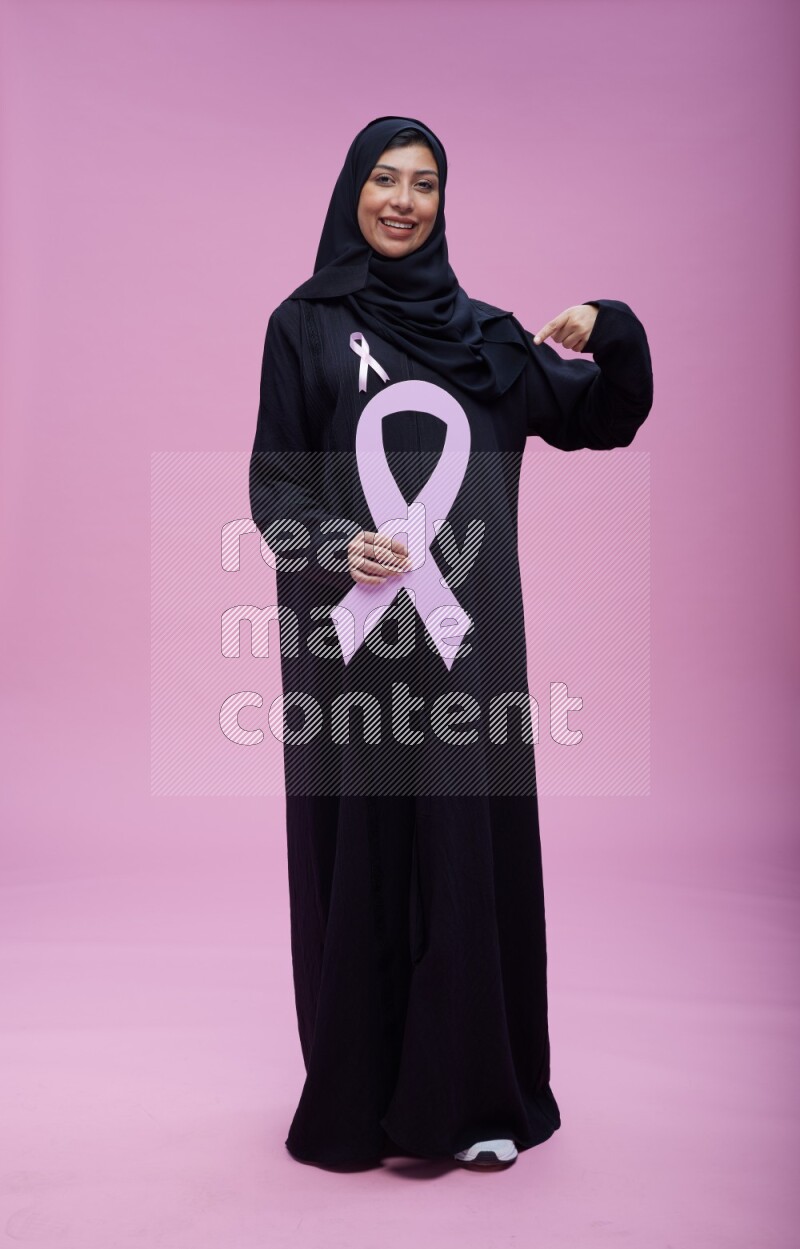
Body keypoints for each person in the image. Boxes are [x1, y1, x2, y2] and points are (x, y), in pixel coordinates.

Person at [249, 116, 653, 1170]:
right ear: (351, 193)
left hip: (464, 660)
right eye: (382, 180)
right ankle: (358, 1099)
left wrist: (605, 323)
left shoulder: (485, 338)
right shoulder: (302, 326)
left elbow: (602, 416)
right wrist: (341, 542)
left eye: (422, 184)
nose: (401, 200)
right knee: (365, 862)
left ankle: (468, 1099)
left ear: (441, 202)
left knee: (463, 860)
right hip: (347, 657)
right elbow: (274, 491)